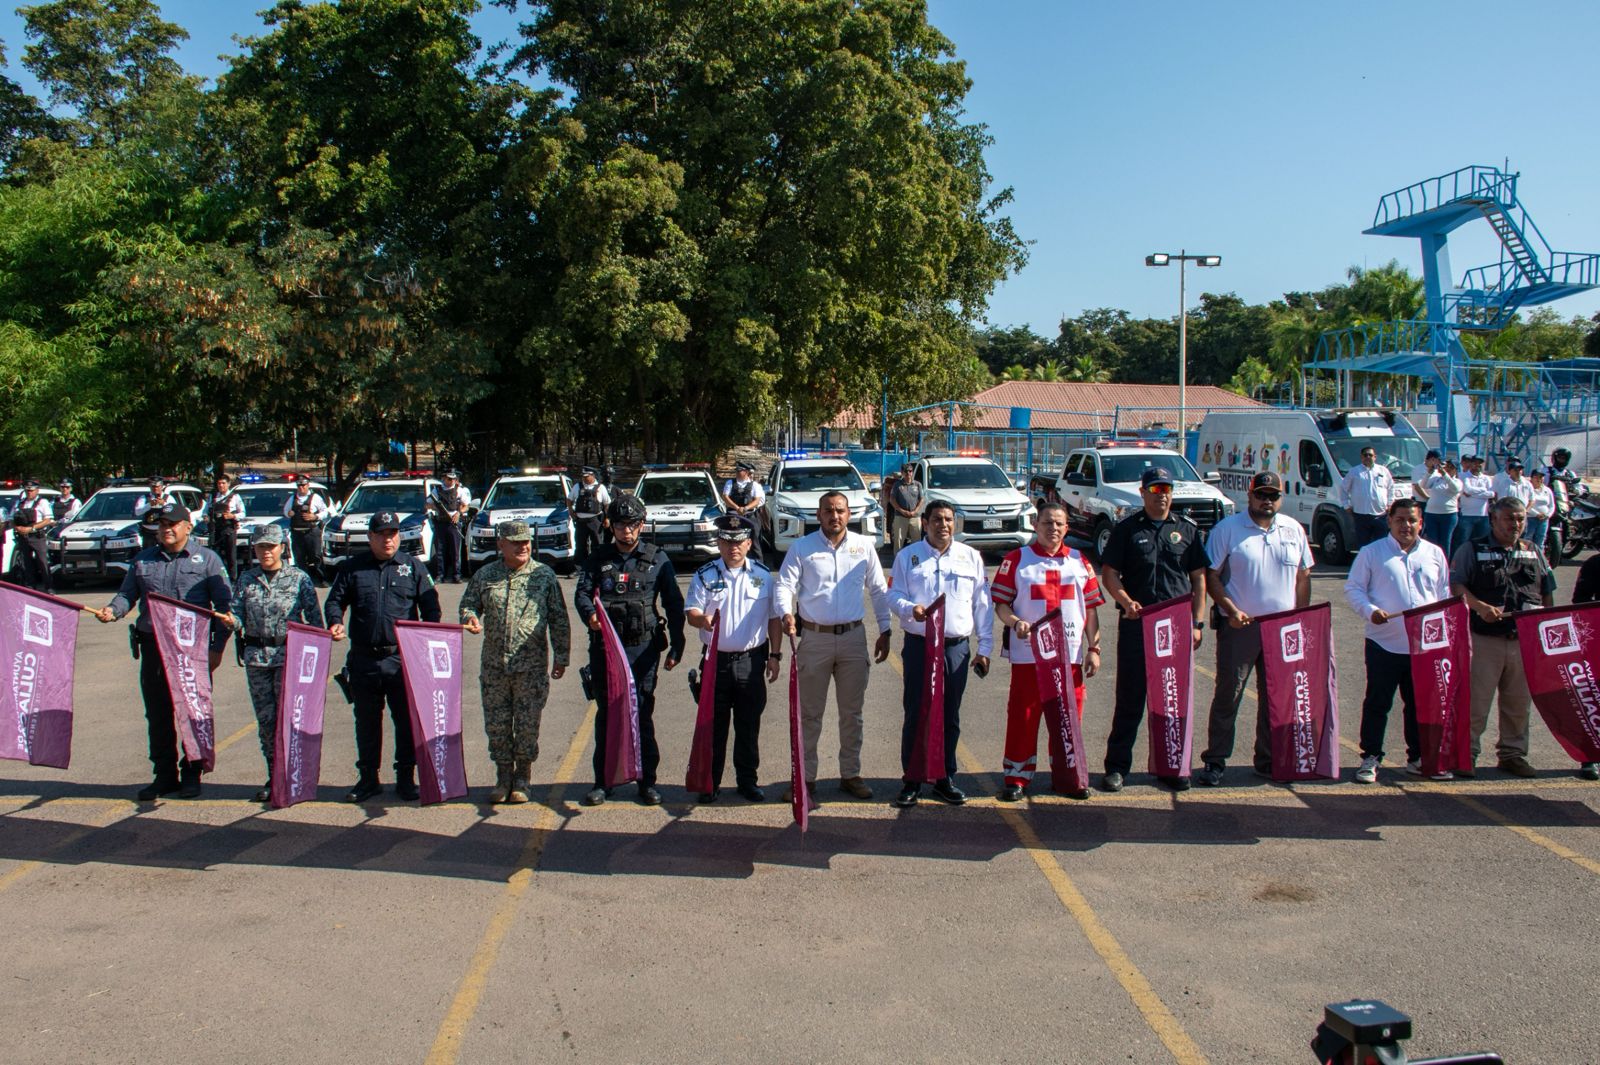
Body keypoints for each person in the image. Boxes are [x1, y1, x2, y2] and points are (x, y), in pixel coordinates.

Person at [93, 502, 232, 800]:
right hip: (153, 646)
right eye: (162, 524)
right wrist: (113, 610)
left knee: (191, 711)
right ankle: (165, 775)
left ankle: (192, 772)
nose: (166, 529)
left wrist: (217, 648)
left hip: (190, 651)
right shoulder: (143, 560)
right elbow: (127, 595)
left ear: (188, 527)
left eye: (172, 524)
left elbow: (225, 608)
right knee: (158, 714)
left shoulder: (207, 560)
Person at [1196, 471, 1313, 786]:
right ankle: (1215, 761)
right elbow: (1211, 575)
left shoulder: (1294, 529)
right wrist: (1231, 610)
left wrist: (1300, 619)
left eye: (1273, 495)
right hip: (1241, 625)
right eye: (1261, 494)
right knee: (1229, 694)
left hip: (1282, 629)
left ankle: (1268, 760)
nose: (1267, 501)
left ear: (1281, 498)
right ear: (1249, 496)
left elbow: (1303, 577)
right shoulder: (1227, 529)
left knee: (1275, 697)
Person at [774, 490, 892, 801]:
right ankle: (805, 779)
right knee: (809, 715)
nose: (834, 516)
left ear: (849, 514)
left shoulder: (863, 546)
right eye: (828, 510)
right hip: (815, 639)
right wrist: (785, 613)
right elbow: (784, 585)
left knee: (852, 714)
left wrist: (886, 629)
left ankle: (850, 775)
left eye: (840, 510)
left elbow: (879, 590)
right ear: (818, 515)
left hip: (853, 639)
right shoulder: (802, 548)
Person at [1097, 468, 1208, 792]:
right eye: (1156, 489)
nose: (1162, 495)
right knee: (1130, 699)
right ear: (1143, 492)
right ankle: (1117, 767)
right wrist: (1125, 601)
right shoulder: (1127, 530)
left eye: (1167, 489)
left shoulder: (1186, 530)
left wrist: (1197, 623)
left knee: (1171, 699)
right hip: (1138, 624)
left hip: (1175, 628)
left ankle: (1172, 766)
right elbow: (1110, 573)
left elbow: (1198, 578)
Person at [323, 509, 443, 802]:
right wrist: (335, 621)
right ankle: (368, 779)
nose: (388, 540)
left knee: (405, 721)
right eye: (381, 534)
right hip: (363, 659)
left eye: (393, 534)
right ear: (370, 537)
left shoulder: (413, 567)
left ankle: (406, 778)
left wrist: (427, 641)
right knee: (366, 722)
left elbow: (431, 608)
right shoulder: (352, 568)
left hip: (401, 659)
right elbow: (334, 601)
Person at [573, 493, 685, 806]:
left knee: (642, 714)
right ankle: (603, 782)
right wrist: (590, 615)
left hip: (643, 650)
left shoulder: (657, 559)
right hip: (607, 651)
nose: (627, 531)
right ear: (611, 526)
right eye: (621, 525)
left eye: (633, 524)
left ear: (642, 524)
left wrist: (678, 645)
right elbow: (582, 594)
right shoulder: (598, 557)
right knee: (607, 716)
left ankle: (647, 782)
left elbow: (673, 603)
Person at [990, 501, 1103, 801]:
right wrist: (1015, 622)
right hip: (1029, 654)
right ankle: (1017, 778)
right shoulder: (1016, 559)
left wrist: (1094, 648)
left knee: (1068, 719)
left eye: (1059, 524)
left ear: (1067, 528)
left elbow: (1091, 609)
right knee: (1023, 716)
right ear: (1036, 525)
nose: (1053, 528)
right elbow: (1001, 604)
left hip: (1069, 656)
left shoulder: (1080, 561)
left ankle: (1068, 778)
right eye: (1047, 523)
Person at [886, 499, 993, 806]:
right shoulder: (908, 556)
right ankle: (912, 780)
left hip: (955, 648)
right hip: (920, 646)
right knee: (916, 712)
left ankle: (945, 778)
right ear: (925, 523)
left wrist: (985, 647)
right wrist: (910, 608)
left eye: (948, 519)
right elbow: (893, 594)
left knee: (950, 715)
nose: (943, 525)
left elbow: (982, 604)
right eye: (936, 519)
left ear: (954, 523)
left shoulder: (970, 557)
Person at [460, 519, 570, 804]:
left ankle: (523, 778)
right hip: (494, 667)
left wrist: (562, 656)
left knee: (527, 726)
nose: (523, 547)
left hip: (530, 668)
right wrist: (470, 617)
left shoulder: (543, 576)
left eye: (526, 542)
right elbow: (468, 604)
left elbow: (558, 618)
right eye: (516, 542)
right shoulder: (486, 575)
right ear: (501, 544)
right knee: (496, 725)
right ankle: (503, 777)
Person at [1344, 499, 1452, 783]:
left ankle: (1418, 758)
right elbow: (1354, 589)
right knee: (1378, 703)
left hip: (1423, 645)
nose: (1406, 525)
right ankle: (1371, 757)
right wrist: (1370, 611)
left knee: (1418, 704)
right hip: (1384, 643)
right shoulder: (1372, 552)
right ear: (1389, 521)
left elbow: (1443, 594)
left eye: (1412, 520)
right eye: (1400, 519)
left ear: (1421, 523)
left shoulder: (1434, 553)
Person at [1450, 497, 1556, 779]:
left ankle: (1512, 755)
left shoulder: (1533, 550)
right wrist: (1480, 607)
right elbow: (1457, 585)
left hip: (1523, 641)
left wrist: (1545, 628)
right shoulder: (1472, 549)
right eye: (1509, 518)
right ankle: (1466, 755)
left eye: (1520, 518)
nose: (1516, 524)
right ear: (1493, 519)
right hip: (1485, 639)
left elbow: (1547, 590)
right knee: (1476, 703)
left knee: (1518, 705)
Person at [684, 513, 782, 803]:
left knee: (748, 726)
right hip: (716, 663)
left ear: (749, 543)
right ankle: (710, 783)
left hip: (751, 662)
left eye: (739, 542)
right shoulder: (705, 575)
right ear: (719, 543)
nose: (733, 547)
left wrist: (775, 655)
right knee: (713, 727)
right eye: (727, 541)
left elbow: (774, 619)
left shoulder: (763, 576)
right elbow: (691, 612)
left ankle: (747, 781)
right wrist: (702, 620)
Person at [229, 524, 321, 802]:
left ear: (282, 547)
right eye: (261, 547)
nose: (266, 552)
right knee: (267, 721)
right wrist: (230, 621)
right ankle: (274, 774)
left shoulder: (298, 579)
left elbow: (315, 621)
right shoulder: (247, 579)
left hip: (289, 658)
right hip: (257, 658)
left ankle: (294, 773)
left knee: (290, 719)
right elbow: (237, 614)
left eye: (271, 547)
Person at [1339, 445, 1394, 548]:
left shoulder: (1383, 471)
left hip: (1380, 514)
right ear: (1361, 457)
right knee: (1363, 545)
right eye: (1365, 455)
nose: (1368, 457)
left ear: (1375, 457)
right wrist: (1346, 505)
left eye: (1370, 455)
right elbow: (1343, 488)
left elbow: (1391, 488)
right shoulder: (1354, 472)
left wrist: (1390, 504)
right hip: (1361, 515)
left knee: (1381, 544)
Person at [9, 479, 55, 591]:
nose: (29, 492)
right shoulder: (19, 503)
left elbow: (48, 520)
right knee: (26, 564)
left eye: (31, 490)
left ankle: (48, 587)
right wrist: (17, 527)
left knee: (42, 562)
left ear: (37, 490)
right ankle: (30, 587)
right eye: (27, 490)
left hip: (37, 536)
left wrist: (31, 528)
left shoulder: (42, 502)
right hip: (23, 537)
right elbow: (11, 519)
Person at [284, 474, 330, 585]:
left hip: (312, 532)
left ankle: (322, 579)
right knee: (299, 558)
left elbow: (325, 511)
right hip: (297, 533)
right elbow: (285, 511)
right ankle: (303, 581)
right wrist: (289, 513)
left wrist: (315, 516)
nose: (301, 488)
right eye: (299, 486)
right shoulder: (292, 498)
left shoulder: (315, 498)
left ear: (308, 485)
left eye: (303, 485)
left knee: (316, 556)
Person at [428, 469, 471, 583]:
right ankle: (440, 575)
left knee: (455, 551)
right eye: (449, 479)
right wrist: (437, 508)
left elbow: (466, 506)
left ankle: (457, 575)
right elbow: (427, 504)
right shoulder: (437, 490)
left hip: (454, 523)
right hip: (441, 523)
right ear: (444, 478)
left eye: (453, 479)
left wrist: (458, 513)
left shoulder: (459, 490)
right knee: (440, 551)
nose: (451, 481)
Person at [721, 462, 767, 565]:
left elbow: (757, 500)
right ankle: (731, 564)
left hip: (750, 516)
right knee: (732, 540)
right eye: (736, 471)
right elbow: (725, 497)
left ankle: (758, 565)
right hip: (733, 517)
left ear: (746, 472)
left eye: (739, 471)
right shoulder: (730, 483)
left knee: (754, 541)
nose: (737, 473)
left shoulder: (755, 485)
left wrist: (745, 508)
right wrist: (737, 508)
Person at [204, 474, 246, 580]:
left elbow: (243, 513)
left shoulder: (235, 497)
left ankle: (233, 579)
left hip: (228, 528)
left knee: (231, 554)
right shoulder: (213, 496)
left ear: (228, 484)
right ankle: (215, 576)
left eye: (223, 483)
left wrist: (232, 516)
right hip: (215, 528)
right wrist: (205, 516)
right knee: (214, 553)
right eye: (219, 483)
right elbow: (205, 511)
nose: (221, 485)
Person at [569, 467, 610, 567]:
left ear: (593, 476)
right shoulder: (577, 486)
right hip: (581, 521)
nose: (584, 478)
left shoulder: (600, 487)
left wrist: (607, 518)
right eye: (583, 476)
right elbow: (569, 500)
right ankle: (580, 567)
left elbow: (607, 504)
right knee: (580, 545)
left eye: (587, 476)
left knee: (597, 544)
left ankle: (597, 565)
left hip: (595, 521)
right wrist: (571, 512)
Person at [1419, 456, 1462, 553]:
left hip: (1448, 515)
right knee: (1432, 541)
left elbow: (1455, 489)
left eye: (1451, 467)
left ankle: (1445, 560)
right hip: (1431, 514)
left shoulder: (1457, 482)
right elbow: (1423, 485)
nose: (1448, 469)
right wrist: (1429, 473)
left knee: (1445, 541)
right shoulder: (1436, 479)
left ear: (1456, 470)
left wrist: (1445, 475)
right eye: (1447, 466)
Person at [1455, 454, 1494, 554]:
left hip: (1483, 515)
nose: (1478, 465)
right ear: (1471, 464)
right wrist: (1483, 490)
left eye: (1480, 463)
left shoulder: (1486, 478)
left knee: (1482, 543)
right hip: (1466, 515)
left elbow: (1491, 494)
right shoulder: (1463, 476)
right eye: (1475, 463)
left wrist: (1473, 493)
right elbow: (1467, 490)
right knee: (1462, 542)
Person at [888, 462, 924, 555]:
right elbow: (892, 499)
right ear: (902, 472)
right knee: (898, 541)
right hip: (900, 517)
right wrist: (902, 511)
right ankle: (898, 559)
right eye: (906, 471)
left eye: (910, 471)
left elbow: (921, 499)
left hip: (915, 517)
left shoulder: (918, 485)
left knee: (916, 541)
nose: (908, 473)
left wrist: (915, 511)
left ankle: (916, 559)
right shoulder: (897, 485)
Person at [133, 477, 172, 550]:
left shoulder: (168, 498)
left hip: (163, 531)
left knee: (165, 551)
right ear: (150, 486)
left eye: (158, 486)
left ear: (162, 486)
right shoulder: (144, 498)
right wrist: (149, 505)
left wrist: (164, 504)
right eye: (153, 486)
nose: (155, 488)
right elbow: (137, 512)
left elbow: (174, 510)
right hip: (148, 533)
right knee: (148, 553)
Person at [1525, 469, 1555, 558]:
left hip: (1544, 520)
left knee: (1541, 539)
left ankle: (1539, 559)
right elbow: (1526, 504)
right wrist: (1536, 514)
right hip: (1530, 518)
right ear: (1531, 478)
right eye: (1536, 477)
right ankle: (1526, 558)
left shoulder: (1547, 490)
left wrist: (1548, 515)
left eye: (1541, 477)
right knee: (1527, 539)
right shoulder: (1528, 489)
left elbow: (1552, 505)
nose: (1539, 479)